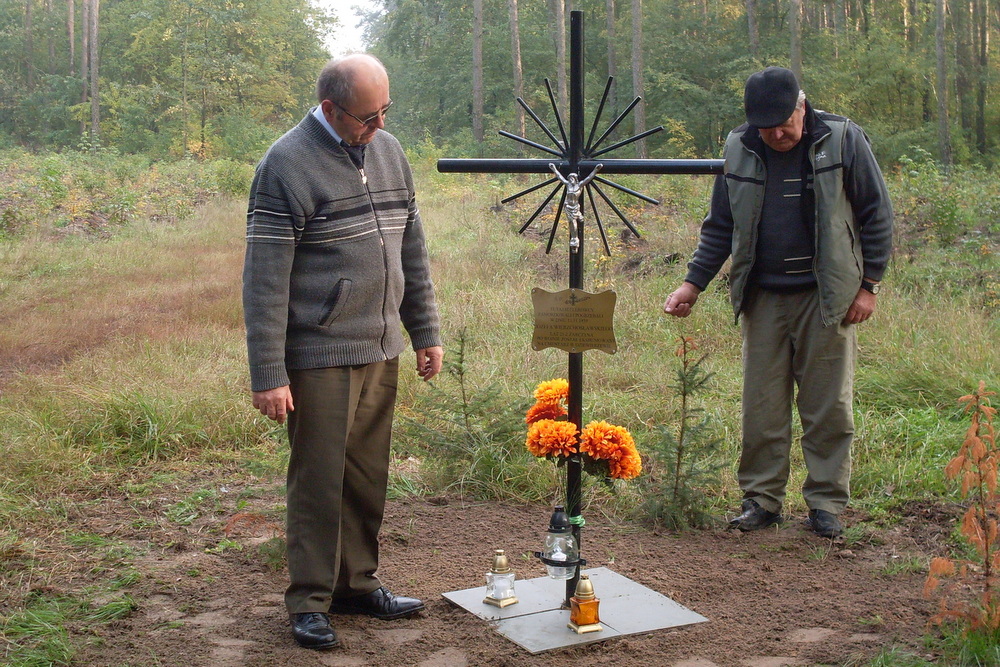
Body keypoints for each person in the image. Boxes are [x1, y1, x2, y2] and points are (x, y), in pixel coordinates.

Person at [242, 54, 443, 650]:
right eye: (366, 116)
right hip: (318, 354)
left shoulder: (389, 151)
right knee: (319, 480)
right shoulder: (284, 165)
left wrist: (424, 331)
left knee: (364, 474)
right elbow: (265, 280)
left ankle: (356, 583)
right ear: (330, 108)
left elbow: (412, 249)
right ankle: (308, 599)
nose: (377, 126)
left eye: (386, 111)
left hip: (380, 345)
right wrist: (269, 373)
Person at [663, 66, 892, 539]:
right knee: (762, 408)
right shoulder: (739, 147)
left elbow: (876, 213)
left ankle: (825, 503)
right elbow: (720, 225)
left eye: (785, 123)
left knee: (828, 407)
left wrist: (869, 286)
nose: (777, 134)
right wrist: (692, 284)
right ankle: (761, 501)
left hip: (826, 297)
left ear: (801, 107)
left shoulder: (843, 139)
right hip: (762, 297)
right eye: (766, 127)